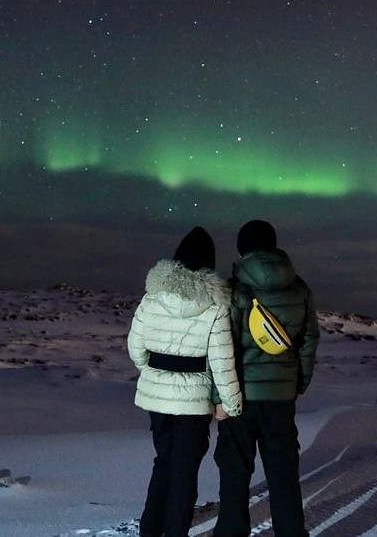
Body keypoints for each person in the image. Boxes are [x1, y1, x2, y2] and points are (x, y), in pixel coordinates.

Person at [127, 226, 243, 537]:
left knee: (163, 461)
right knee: (185, 470)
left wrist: (150, 373)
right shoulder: (216, 305)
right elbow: (222, 360)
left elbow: (135, 346)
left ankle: (150, 530)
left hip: (157, 399)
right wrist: (230, 403)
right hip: (194, 401)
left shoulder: (152, 298)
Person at [212, 220, 321, 537]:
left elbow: (223, 345)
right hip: (280, 397)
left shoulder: (233, 289)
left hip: (241, 397)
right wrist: (298, 382)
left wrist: (220, 396)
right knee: (283, 471)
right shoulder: (299, 287)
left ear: (242, 248)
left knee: (234, 471)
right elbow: (309, 340)